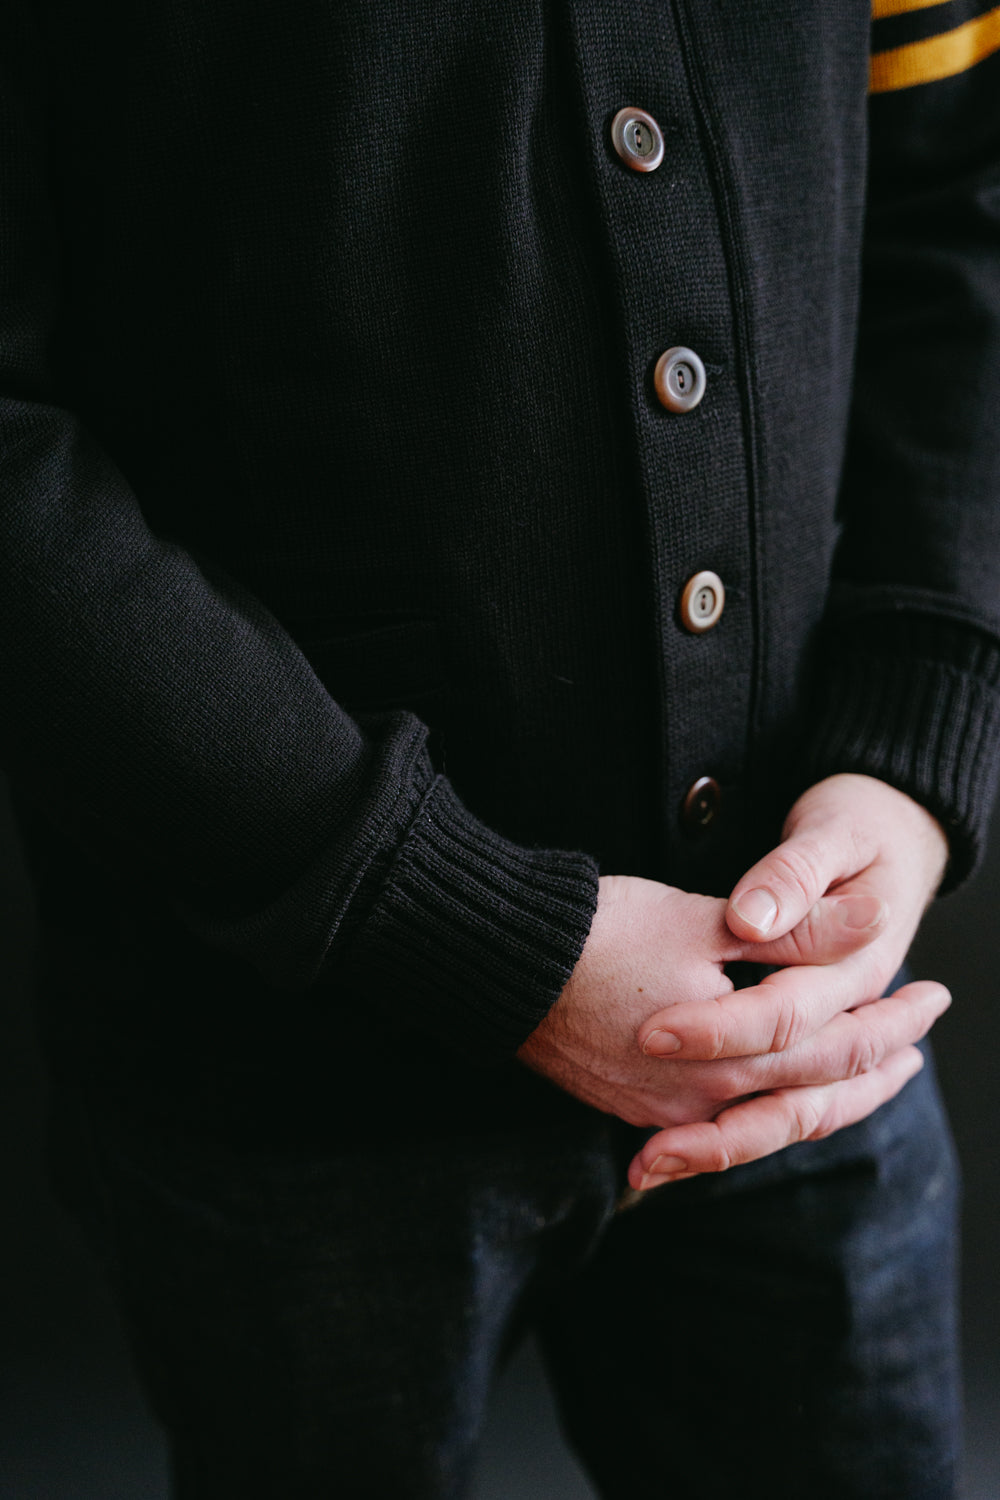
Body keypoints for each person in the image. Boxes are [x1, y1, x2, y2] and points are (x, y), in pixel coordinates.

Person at [2, 2, 999, 1496]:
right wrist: (453, 914)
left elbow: (965, 193)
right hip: (279, 1059)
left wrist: (913, 748)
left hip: (791, 1025)